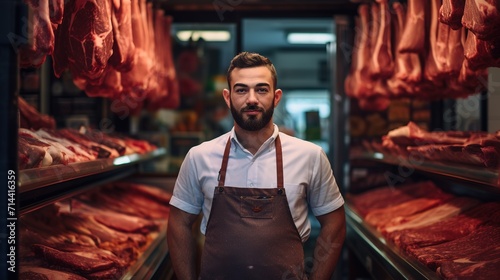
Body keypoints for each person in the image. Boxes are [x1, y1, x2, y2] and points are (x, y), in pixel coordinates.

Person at [167, 52, 346, 280]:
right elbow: (178, 223)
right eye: (241, 90)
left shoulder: (310, 156)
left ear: (276, 97)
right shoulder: (199, 157)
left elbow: (335, 223)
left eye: (262, 89)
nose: (252, 99)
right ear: (228, 97)